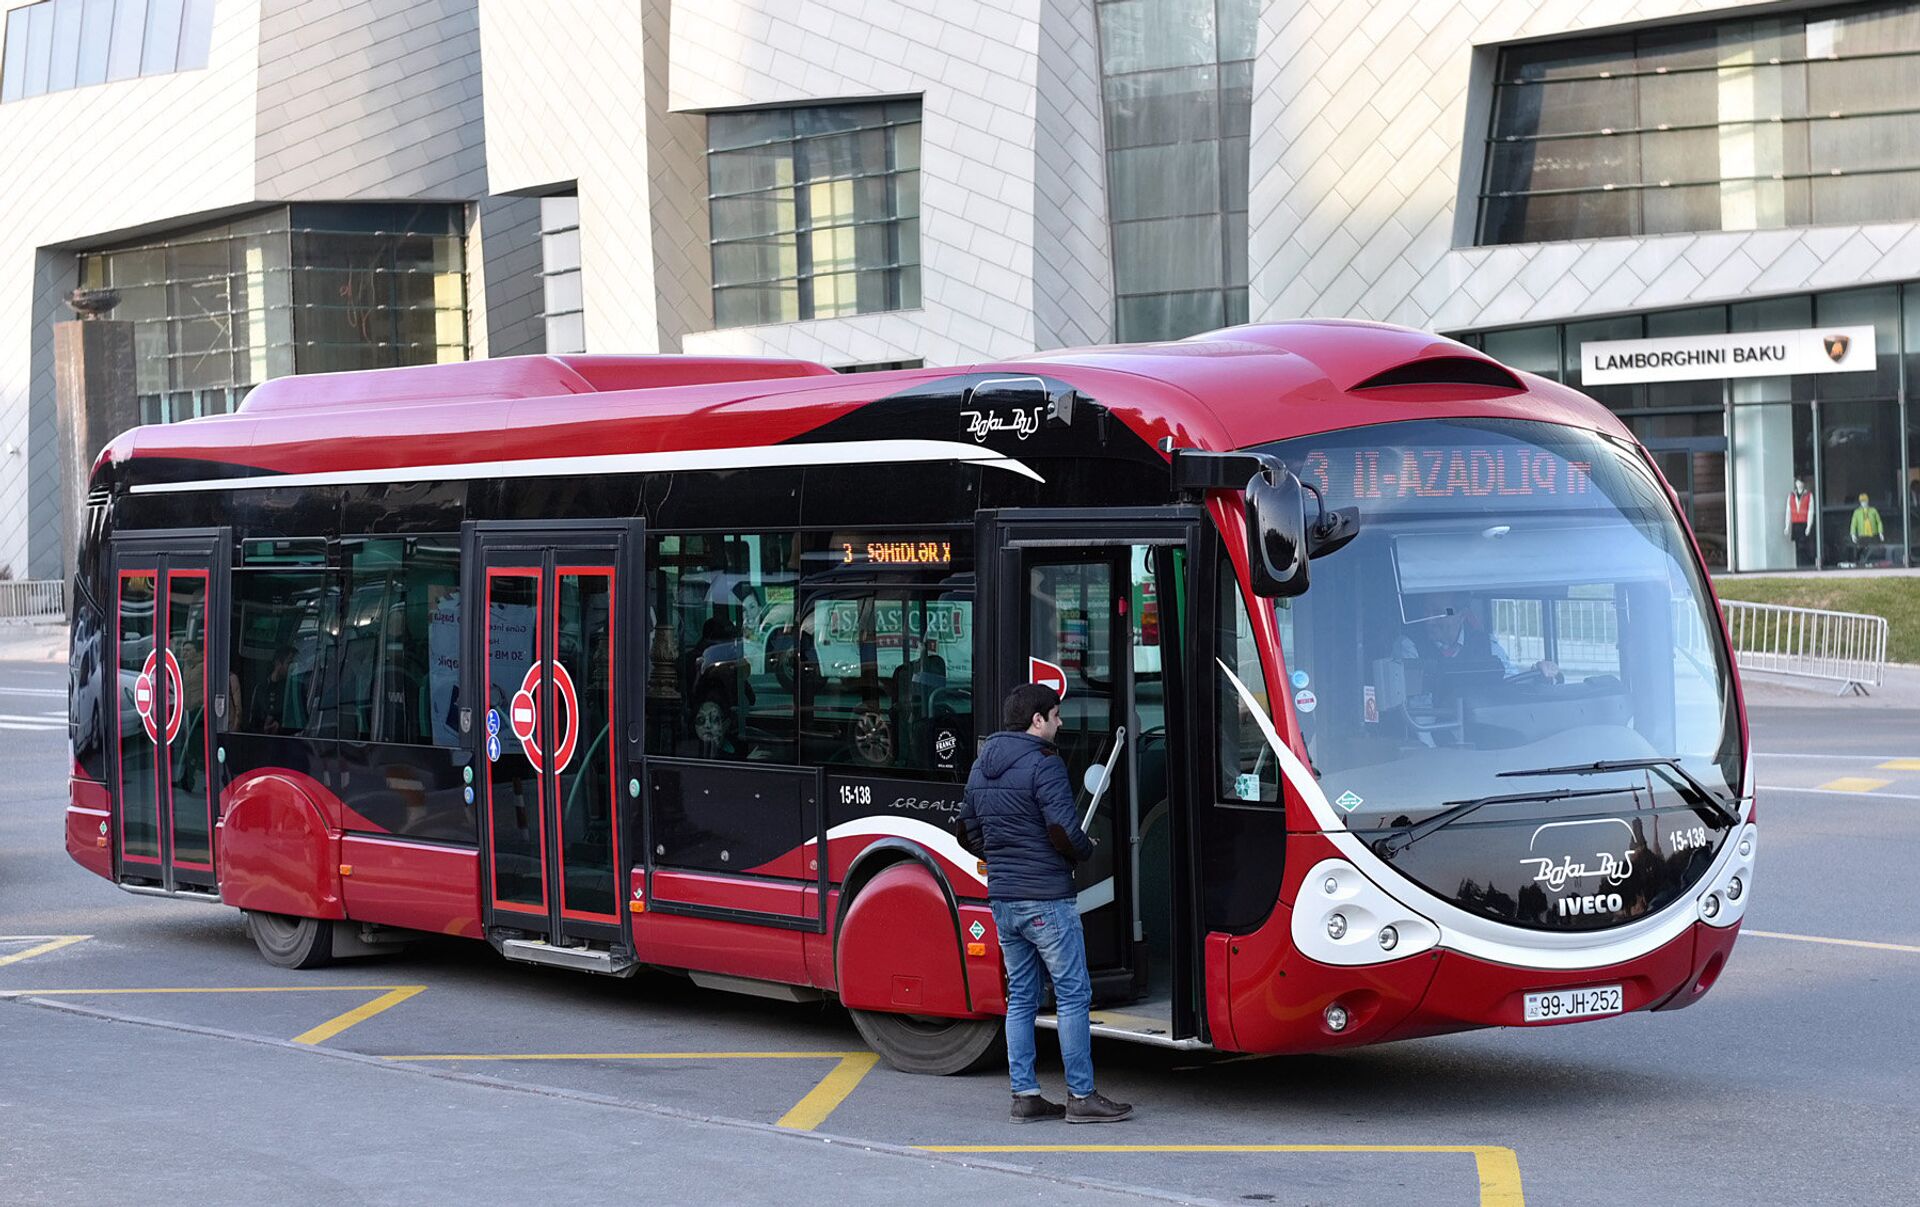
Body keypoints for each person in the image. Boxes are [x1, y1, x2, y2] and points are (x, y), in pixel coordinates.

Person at [956, 684, 1133, 1125]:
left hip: (1004, 897)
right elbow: (1061, 830)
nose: (1059, 723)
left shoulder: (983, 764)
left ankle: (1026, 1096)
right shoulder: (1044, 764)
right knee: (1073, 993)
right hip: (1046, 897)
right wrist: (1083, 851)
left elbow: (965, 830)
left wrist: (1001, 855)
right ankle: (1081, 1095)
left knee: (1021, 995)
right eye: (1054, 715)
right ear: (1036, 720)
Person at [1391, 592, 1559, 682]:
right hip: (1437, 737)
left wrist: (1536, 672)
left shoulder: (1488, 644)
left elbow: (1511, 681)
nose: (1429, 621)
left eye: (1438, 613)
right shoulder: (1408, 647)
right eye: (1426, 611)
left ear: (1462, 615)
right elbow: (1418, 710)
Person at [1785, 478, 1815, 567]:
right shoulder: (1791, 496)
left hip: (1804, 523)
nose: (1799, 484)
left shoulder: (1809, 495)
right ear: (1795, 483)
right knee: (1798, 546)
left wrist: (1809, 526)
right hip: (1795, 523)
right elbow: (1788, 511)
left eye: (1801, 482)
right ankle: (1799, 564)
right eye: (1798, 482)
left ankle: (1805, 564)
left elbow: (1810, 511)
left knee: (1804, 545)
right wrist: (1787, 526)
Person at [1849, 492, 1885, 565]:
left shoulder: (1873, 510)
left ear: (1868, 501)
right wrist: (1853, 534)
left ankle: (1872, 562)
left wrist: (1880, 532)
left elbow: (1879, 522)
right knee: (1861, 549)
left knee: (1873, 549)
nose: (1864, 503)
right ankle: (1860, 562)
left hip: (1872, 534)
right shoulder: (1857, 512)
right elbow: (1853, 524)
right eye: (1862, 501)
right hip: (1862, 535)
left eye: (1865, 501)